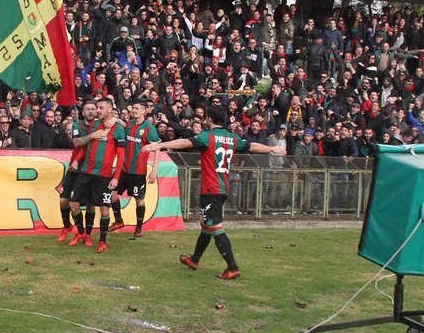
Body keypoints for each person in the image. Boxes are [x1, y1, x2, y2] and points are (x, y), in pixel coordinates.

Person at [143, 103, 286, 279]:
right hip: (222, 187)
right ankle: (194, 259)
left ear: (209, 119)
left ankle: (232, 267)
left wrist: (159, 145)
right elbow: (252, 146)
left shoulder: (208, 137)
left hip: (211, 189)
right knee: (206, 225)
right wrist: (272, 148)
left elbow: (186, 142)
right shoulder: (232, 138)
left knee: (214, 226)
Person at [68, 97, 125, 253]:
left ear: (109, 109)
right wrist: (77, 160)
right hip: (86, 172)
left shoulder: (118, 129)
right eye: (96, 107)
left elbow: (121, 156)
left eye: (100, 108)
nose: (97, 110)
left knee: (104, 209)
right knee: (74, 204)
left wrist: (116, 177)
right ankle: (81, 233)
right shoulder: (93, 125)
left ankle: (102, 241)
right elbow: (86, 147)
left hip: (104, 176)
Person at [110, 99, 159, 237]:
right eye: (133, 108)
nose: (134, 110)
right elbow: (122, 124)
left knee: (139, 200)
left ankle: (138, 229)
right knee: (113, 195)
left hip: (138, 172)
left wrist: (154, 171)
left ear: (144, 111)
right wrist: (114, 118)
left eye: (137, 109)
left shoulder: (149, 128)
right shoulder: (129, 125)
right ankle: (119, 221)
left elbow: (157, 149)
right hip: (124, 170)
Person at [57, 100, 97, 244]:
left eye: (93, 109)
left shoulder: (100, 126)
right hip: (75, 167)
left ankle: (87, 234)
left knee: (90, 204)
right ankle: (67, 226)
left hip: (92, 169)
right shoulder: (77, 125)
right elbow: (76, 142)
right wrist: (92, 137)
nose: (90, 111)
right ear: (83, 112)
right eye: (87, 109)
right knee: (64, 200)